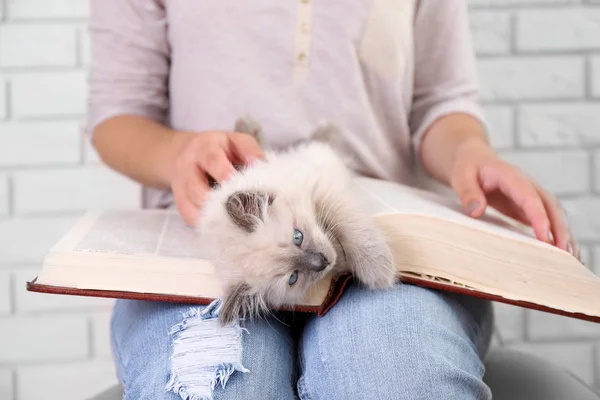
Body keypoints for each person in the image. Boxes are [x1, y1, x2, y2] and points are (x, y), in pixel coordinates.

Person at [87, 1, 579, 399]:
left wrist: (470, 152)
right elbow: (117, 114)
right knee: (220, 384)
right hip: (201, 254)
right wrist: (179, 154)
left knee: (394, 381)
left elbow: (441, 102)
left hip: (382, 227)